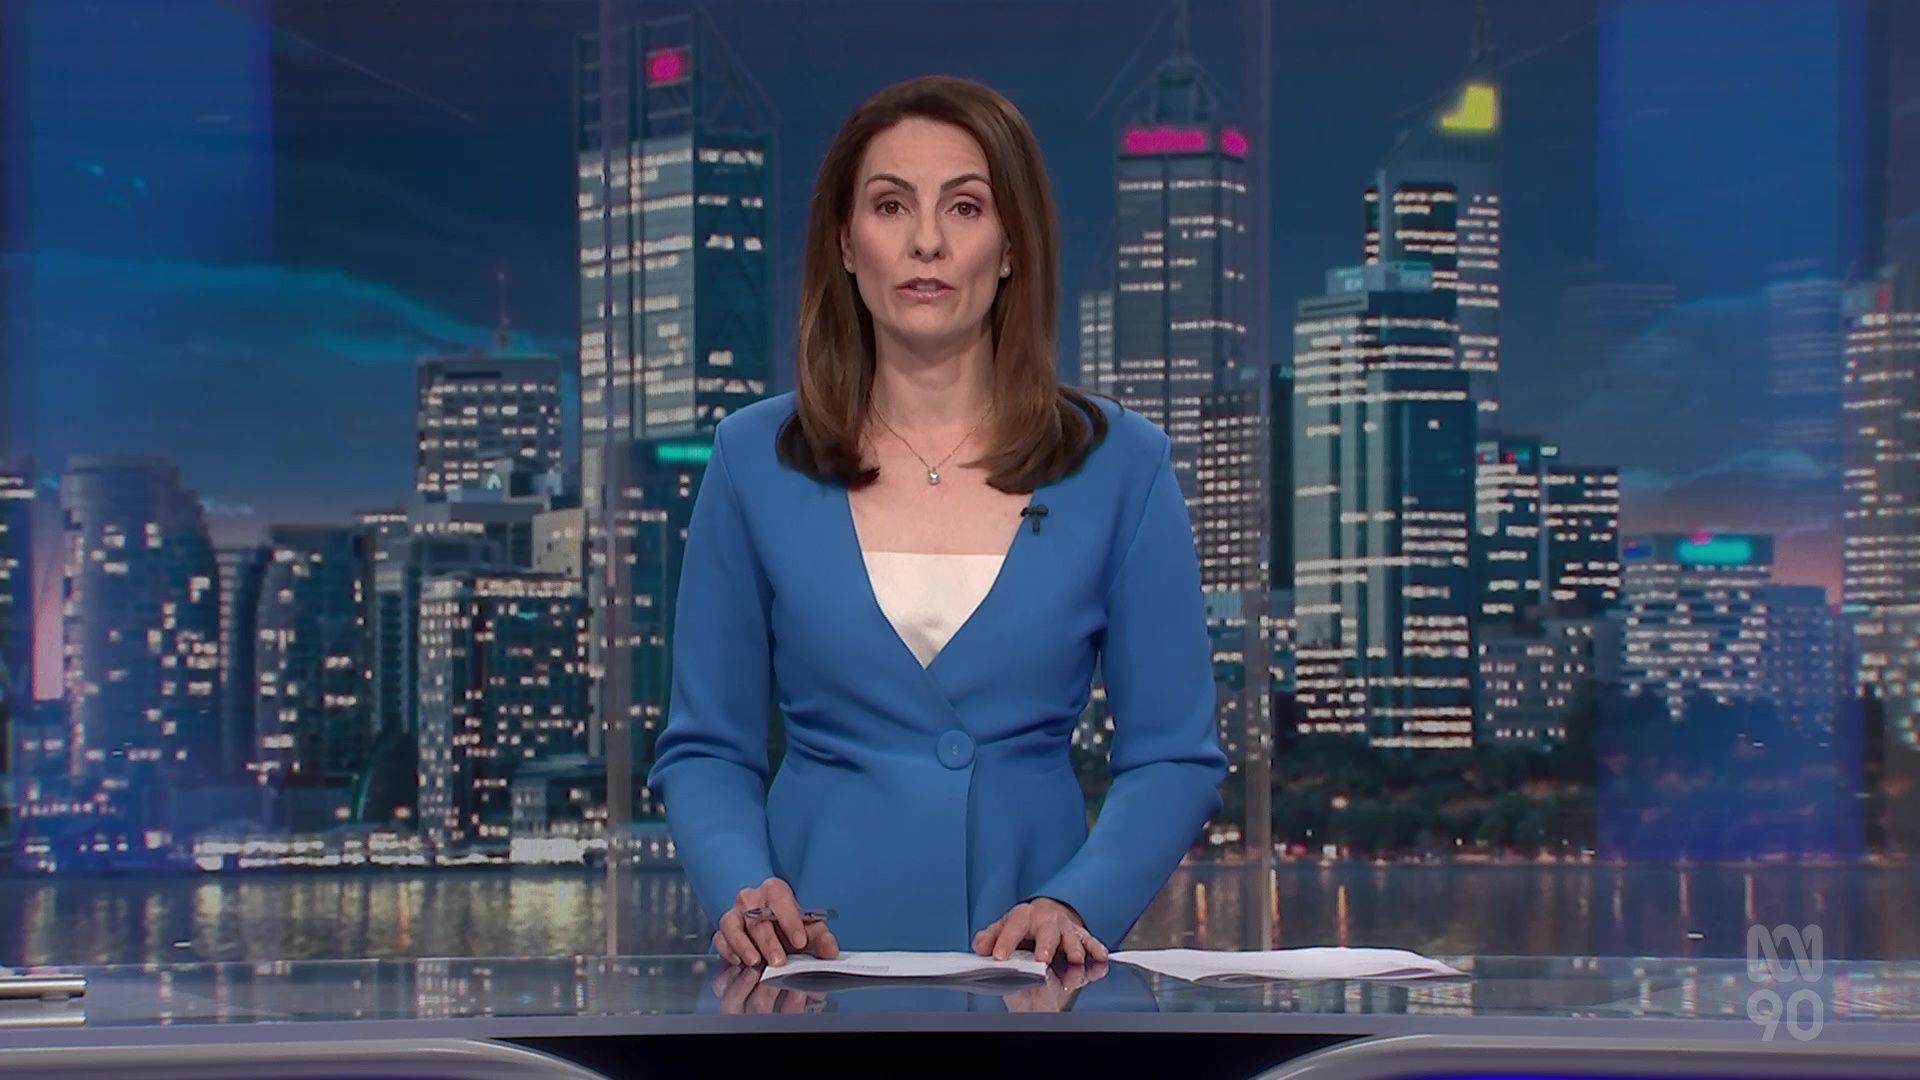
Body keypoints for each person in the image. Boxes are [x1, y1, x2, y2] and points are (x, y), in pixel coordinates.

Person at [646, 74, 1227, 971]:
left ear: (1010, 245)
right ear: (846, 243)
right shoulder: (751, 459)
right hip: (809, 978)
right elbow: (706, 748)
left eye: (965, 207)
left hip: (1032, 981)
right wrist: (743, 891)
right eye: (891, 206)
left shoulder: (1123, 464)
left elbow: (1174, 757)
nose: (926, 241)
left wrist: (1079, 902)